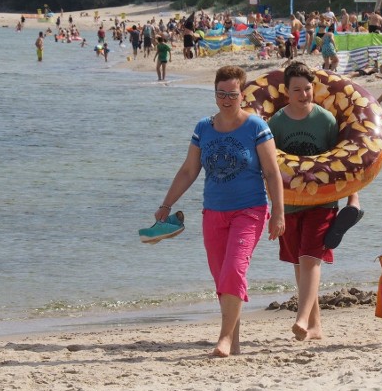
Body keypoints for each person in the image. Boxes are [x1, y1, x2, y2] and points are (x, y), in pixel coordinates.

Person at [154, 65, 285, 357]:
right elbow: (189, 171)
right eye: (221, 94)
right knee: (221, 278)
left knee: (234, 270)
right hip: (213, 212)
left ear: (243, 94)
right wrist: (166, 204)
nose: (226, 99)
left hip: (250, 210)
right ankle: (234, 342)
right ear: (214, 93)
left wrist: (278, 212)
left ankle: (224, 338)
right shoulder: (204, 128)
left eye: (232, 94)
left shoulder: (256, 127)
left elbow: (272, 172)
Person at [267, 62, 362, 341]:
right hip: (291, 202)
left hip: (323, 202)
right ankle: (316, 326)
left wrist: (352, 199)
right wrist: (276, 208)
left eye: (308, 89)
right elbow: (271, 168)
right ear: (286, 91)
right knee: (301, 264)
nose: (304, 94)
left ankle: (302, 318)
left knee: (310, 260)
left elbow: (343, 161)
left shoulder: (326, 121)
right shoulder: (277, 123)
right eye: (297, 89)